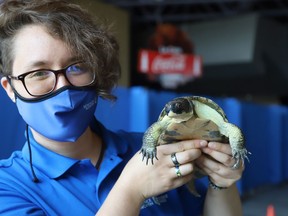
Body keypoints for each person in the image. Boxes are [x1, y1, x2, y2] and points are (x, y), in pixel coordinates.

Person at [0, 0, 244, 215]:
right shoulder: (8, 187)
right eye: (39, 73)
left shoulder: (154, 148)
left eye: (77, 67)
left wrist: (221, 182)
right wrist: (131, 190)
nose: (63, 87)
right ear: (9, 88)